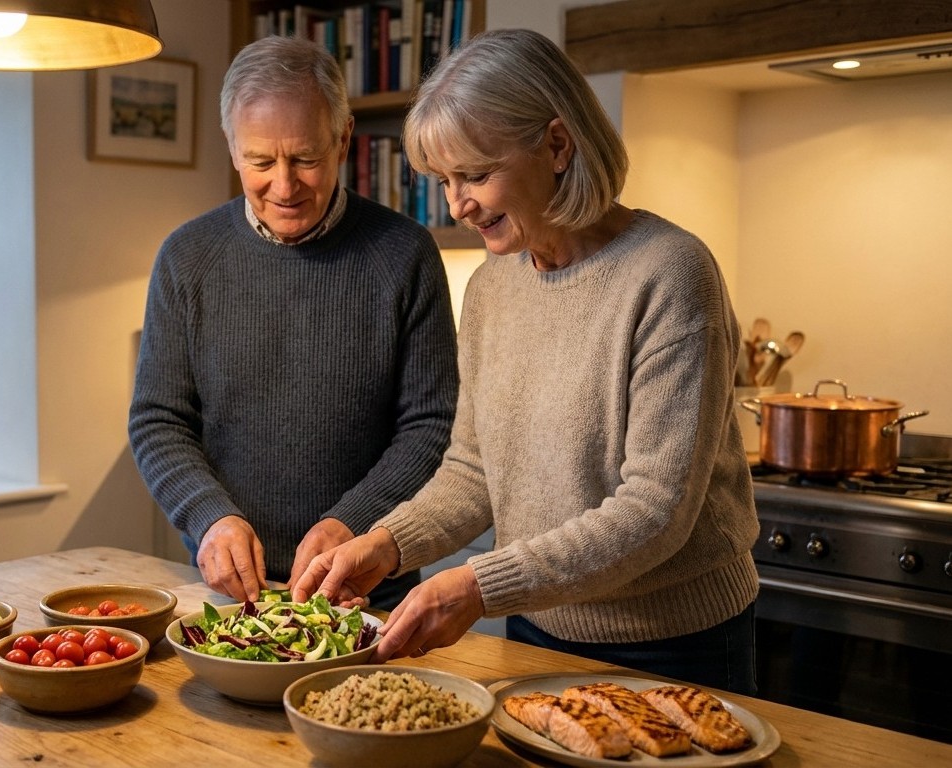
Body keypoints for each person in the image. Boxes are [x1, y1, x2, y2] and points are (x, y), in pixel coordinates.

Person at [292, 28, 760, 695]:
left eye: (476, 174)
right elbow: (475, 469)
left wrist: (480, 586)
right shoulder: (491, 286)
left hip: (675, 645)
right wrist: (386, 544)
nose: (459, 204)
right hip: (536, 629)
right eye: (445, 181)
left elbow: (656, 510)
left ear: (557, 144)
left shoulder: (669, 273)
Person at [128, 36, 459, 610]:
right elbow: (159, 421)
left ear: (343, 140)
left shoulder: (406, 254)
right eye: (260, 161)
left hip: (370, 590)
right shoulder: (186, 257)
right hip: (231, 594)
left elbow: (433, 425)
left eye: (305, 159)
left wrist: (352, 521)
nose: (284, 186)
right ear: (232, 149)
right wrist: (211, 518)